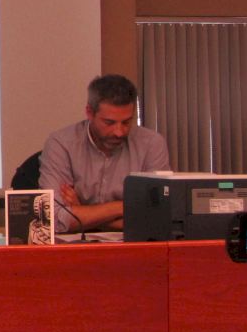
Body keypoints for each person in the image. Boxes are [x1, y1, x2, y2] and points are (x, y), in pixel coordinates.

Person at [38, 75, 170, 233]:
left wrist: (83, 212)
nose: (119, 132)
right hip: (75, 246)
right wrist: (124, 206)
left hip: (133, 244)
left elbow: (159, 218)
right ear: (89, 112)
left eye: (126, 122)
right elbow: (53, 219)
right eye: (109, 123)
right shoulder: (61, 143)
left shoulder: (151, 143)